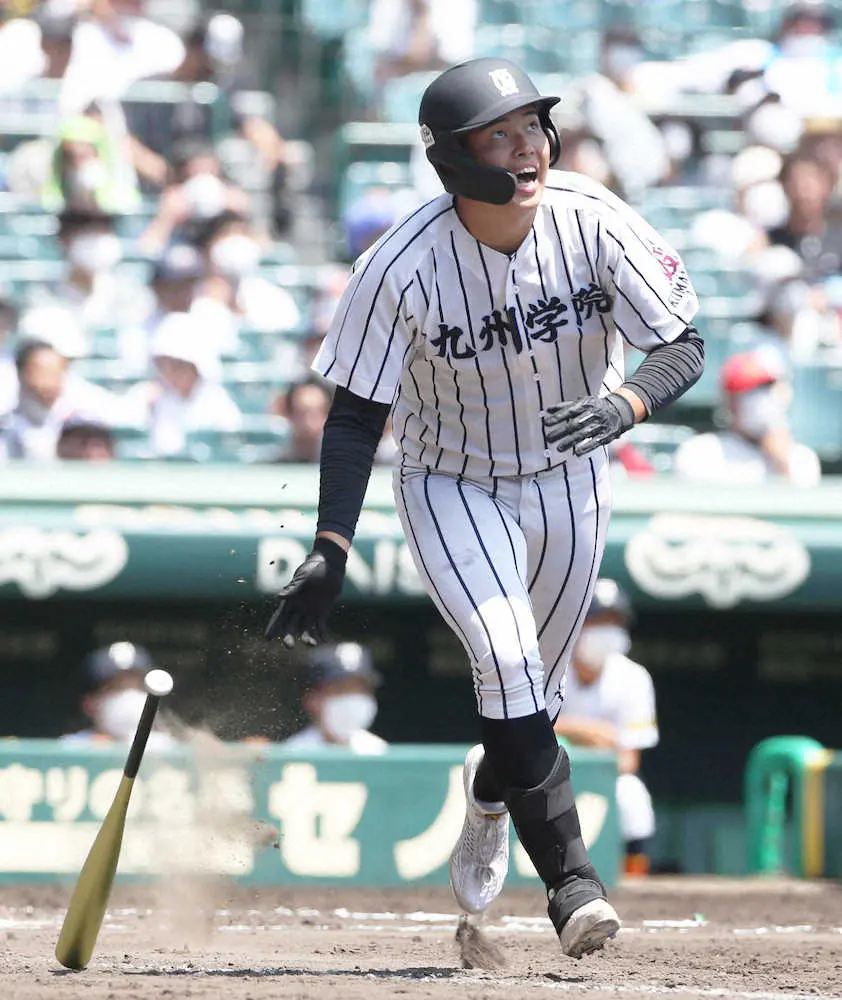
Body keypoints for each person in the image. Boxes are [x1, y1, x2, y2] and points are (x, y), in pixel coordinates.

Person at [264, 58, 704, 960]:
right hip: (452, 480)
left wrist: (626, 405)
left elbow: (683, 344)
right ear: (454, 159)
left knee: (530, 696)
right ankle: (575, 887)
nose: (526, 148)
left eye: (532, 127)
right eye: (499, 135)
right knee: (504, 663)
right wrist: (332, 543)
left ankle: (491, 793)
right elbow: (354, 414)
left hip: (571, 480)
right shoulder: (399, 264)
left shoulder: (595, 220)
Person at [554, 579, 658, 877]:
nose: (607, 629)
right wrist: (594, 733)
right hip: (550, 774)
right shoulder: (549, 667)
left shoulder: (633, 678)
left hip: (601, 776)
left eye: (614, 621)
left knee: (631, 794)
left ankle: (633, 878)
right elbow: (527, 732)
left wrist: (566, 730)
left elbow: (627, 761)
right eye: (598, 620)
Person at [673, 349, 820, 487]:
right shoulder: (701, 452)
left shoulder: (801, 458)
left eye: (767, 389)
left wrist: (783, 462)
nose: (762, 400)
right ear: (730, 401)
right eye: (751, 392)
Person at [62, 641, 176, 747]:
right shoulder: (72, 748)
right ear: (89, 703)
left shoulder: (167, 749)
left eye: (137, 687)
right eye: (116, 688)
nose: (129, 696)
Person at [282, 642, 387, 754]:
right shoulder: (293, 754)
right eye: (340, 690)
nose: (352, 698)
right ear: (312, 699)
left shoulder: (379, 752)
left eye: (360, 690)